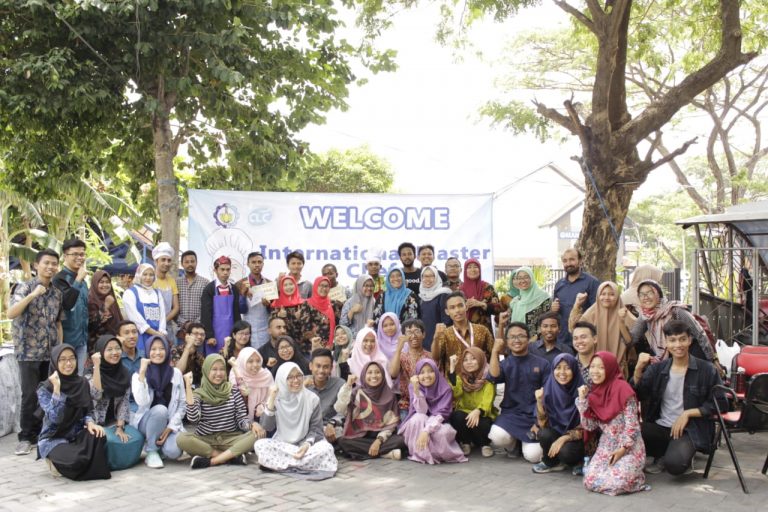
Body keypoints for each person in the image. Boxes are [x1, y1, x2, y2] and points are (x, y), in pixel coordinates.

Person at [633, 320, 724, 476]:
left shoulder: (707, 370)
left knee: (675, 466)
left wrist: (688, 413)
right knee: (627, 433)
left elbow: (721, 403)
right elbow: (638, 394)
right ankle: (665, 451)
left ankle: (678, 453)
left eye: (682, 339)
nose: (678, 345)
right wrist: (638, 369)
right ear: (666, 343)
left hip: (690, 430)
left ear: (690, 340)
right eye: (672, 340)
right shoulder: (657, 369)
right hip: (661, 427)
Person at [8, 248, 63, 456]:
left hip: (50, 353)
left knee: (47, 394)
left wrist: (60, 350)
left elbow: (58, 323)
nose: (50, 267)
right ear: (36, 265)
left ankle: (43, 433)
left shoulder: (57, 293)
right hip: (28, 352)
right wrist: (32, 295)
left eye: (54, 263)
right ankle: (25, 437)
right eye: (46, 263)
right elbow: (11, 313)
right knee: (29, 395)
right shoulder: (23, 287)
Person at [577, 351, 649, 495]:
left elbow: (633, 426)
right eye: (592, 366)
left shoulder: (623, 389)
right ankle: (621, 476)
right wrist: (582, 401)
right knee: (589, 481)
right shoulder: (593, 394)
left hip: (629, 446)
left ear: (610, 368)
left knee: (617, 482)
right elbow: (589, 426)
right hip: (607, 445)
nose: (595, 371)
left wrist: (623, 449)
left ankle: (637, 480)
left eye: (601, 367)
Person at [36, 344, 110, 480]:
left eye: (71, 358)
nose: (68, 363)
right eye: (62, 359)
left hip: (76, 436)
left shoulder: (82, 382)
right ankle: (56, 461)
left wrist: (90, 423)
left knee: (99, 435)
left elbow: (87, 410)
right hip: (54, 439)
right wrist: (57, 389)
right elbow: (55, 418)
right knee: (77, 459)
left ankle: (77, 465)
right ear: (55, 362)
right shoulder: (45, 388)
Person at [254, 362, 338, 480]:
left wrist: (307, 444)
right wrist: (271, 399)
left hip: (307, 444)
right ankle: (306, 464)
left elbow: (316, 428)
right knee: (260, 445)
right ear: (282, 380)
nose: (296, 380)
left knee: (326, 449)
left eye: (299, 375)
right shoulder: (276, 399)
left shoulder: (312, 399)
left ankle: (282, 464)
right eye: (290, 377)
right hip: (283, 445)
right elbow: (267, 427)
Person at [177, 354, 262, 469]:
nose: (219, 373)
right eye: (214, 369)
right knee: (181, 438)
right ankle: (230, 457)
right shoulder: (199, 393)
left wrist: (252, 425)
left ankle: (211, 461)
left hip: (231, 439)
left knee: (258, 434)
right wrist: (188, 386)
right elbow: (193, 419)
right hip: (206, 440)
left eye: (222, 369)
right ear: (206, 370)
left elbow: (241, 420)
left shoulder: (233, 390)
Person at [487, 322, 549, 463]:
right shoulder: (506, 363)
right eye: (512, 337)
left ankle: (524, 444)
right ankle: (513, 445)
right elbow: (494, 377)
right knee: (497, 436)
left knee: (533, 456)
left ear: (529, 339)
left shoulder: (542, 364)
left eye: (521, 336)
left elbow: (547, 395)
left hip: (534, 416)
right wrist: (495, 351)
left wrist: (539, 422)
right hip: (511, 415)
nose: (516, 340)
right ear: (507, 341)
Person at [88, 335, 144, 471]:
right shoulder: (90, 374)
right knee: (108, 440)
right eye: (109, 349)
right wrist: (97, 367)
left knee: (137, 437)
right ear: (101, 352)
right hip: (94, 424)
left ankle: (121, 461)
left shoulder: (123, 372)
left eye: (117, 348)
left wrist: (120, 427)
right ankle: (108, 463)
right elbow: (96, 394)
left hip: (113, 423)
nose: (114, 353)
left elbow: (124, 402)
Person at [130, 337, 186, 468]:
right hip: (146, 422)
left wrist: (171, 426)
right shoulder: (138, 375)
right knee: (160, 410)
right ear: (147, 351)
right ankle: (152, 451)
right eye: (153, 349)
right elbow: (141, 401)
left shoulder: (175, 373)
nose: (158, 352)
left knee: (173, 452)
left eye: (161, 348)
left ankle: (159, 445)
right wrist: (142, 372)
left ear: (167, 350)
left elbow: (182, 404)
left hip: (168, 422)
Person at [630, 279, 716, 364]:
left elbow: (699, 333)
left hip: (690, 356)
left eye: (649, 293)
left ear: (658, 293)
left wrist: (712, 360)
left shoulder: (675, 311)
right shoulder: (644, 316)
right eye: (641, 294)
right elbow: (632, 338)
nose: (645, 297)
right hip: (666, 360)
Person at [397, 359, 467, 464]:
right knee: (418, 418)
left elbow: (441, 414)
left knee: (443, 433)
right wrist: (417, 391)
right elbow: (421, 411)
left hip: (439, 422)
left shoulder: (445, 389)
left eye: (430, 371)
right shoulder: (414, 386)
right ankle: (421, 453)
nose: (426, 375)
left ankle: (434, 454)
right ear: (417, 375)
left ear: (436, 372)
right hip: (421, 421)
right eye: (422, 372)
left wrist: (426, 431)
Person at [335, 362, 406, 460]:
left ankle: (364, 452)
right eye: (370, 372)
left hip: (382, 436)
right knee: (342, 441)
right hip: (360, 435)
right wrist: (348, 386)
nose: (374, 376)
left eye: (377, 372)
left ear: (383, 374)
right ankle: (385, 454)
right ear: (364, 375)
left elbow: (391, 425)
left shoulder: (389, 395)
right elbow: (340, 408)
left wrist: (378, 441)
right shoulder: (357, 392)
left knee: (401, 440)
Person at [531, 354, 585, 475]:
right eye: (558, 368)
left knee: (566, 452)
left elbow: (588, 426)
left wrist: (564, 438)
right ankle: (552, 462)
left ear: (574, 369)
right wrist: (539, 401)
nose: (562, 372)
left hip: (578, 438)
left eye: (567, 368)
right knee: (544, 434)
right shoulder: (549, 389)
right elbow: (543, 425)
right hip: (556, 433)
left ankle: (578, 462)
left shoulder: (582, 391)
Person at [570, 282, 636, 374]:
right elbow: (574, 329)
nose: (607, 297)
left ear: (617, 296)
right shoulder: (592, 312)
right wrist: (577, 305)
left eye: (612, 294)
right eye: (603, 294)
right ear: (598, 295)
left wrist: (621, 321)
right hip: (594, 367)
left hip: (618, 366)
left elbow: (630, 342)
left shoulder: (624, 312)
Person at [448, 347, 497, 457]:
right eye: (465, 360)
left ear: (480, 359)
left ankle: (485, 444)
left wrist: (478, 411)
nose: (469, 362)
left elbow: (488, 401)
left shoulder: (488, 378)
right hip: (465, 413)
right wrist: (452, 369)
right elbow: (455, 393)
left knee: (483, 422)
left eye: (473, 358)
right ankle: (466, 442)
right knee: (457, 416)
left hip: (483, 414)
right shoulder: (462, 377)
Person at [431, 291, 494, 376]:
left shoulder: (482, 330)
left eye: (460, 305)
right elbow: (435, 357)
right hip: (455, 381)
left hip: (481, 380)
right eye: (452, 308)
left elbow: (494, 354)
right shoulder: (445, 334)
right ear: (447, 311)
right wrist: (436, 337)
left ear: (466, 306)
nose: (457, 310)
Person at [53, 239, 89, 375]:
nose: (79, 257)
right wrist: (78, 280)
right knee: (65, 378)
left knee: (78, 378)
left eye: (82, 254)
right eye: (75, 254)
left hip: (82, 340)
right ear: (65, 256)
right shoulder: (59, 279)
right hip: (66, 340)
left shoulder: (83, 281)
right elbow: (67, 304)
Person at [200, 256, 248, 356]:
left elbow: (237, 313)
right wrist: (209, 336)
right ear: (215, 270)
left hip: (231, 333)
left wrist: (238, 333)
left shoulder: (234, 289)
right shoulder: (209, 289)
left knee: (231, 358)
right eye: (222, 269)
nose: (225, 272)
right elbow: (205, 314)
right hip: (214, 335)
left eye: (228, 269)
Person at [552, 248, 600, 347]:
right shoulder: (559, 284)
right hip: (563, 338)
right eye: (565, 261)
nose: (568, 263)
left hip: (583, 339)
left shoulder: (592, 282)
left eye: (572, 259)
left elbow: (596, 311)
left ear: (580, 261)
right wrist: (553, 309)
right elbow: (555, 311)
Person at [389, 319, 432, 420]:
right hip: (406, 403)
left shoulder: (430, 356)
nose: (413, 336)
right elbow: (393, 374)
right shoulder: (401, 356)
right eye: (409, 332)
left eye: (417, 331)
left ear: (424, 334)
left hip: (428, 402)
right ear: (404, 336)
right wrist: (399, 348)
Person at [269, 275, 322, 356]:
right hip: (284, 348)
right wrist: (279, 316)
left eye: (291, 284)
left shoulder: (304, 304)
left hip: (304, 348)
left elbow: (312, 327)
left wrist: (301, 319)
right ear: (281, 288)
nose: (288, 287)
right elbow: (273, 328)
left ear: (295, 286)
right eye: (285, 285)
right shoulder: (277, 305)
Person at [122, 263, 167, 355]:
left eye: (151, 275)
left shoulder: (157, 293)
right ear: (139, 275)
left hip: (158, 337)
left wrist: (161, 332)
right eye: (145, 274)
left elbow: (162, 315)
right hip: (140, 336)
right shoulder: (130, 293)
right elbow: (135, 318)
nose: (148, 278)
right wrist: (155, 333)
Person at [304, 349, 346, 443]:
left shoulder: (339, 384)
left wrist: (332, 423)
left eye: (326, 367)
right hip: (306, 427)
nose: (321, 371)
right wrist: (302, 388)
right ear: (311, 366)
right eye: (318, 366)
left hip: (329, 427)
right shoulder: (302, 383)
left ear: (331, 368)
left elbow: (343, 410)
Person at [229, 347, 274, 422]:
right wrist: (235, 368)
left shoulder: (266, 375)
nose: (255, 365)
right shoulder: (235, 374)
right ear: (242, 361)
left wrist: (263, 405)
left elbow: (272, 397)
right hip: (240, 420)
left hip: (262, 419)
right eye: (250, 361)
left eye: (258, 361)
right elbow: (243, 392)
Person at [460, 258, 502, 334]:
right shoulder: (459, 290)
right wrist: (465, 305)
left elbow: (499, 309)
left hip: (484, 330)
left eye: (475, 267)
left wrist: (481, 304)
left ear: (479, 270)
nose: (473, 270)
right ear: (465, 271)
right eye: (469, 267)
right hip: (463, 331)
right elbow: (452, 310)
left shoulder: (488, 288)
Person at [508, 267, 552, 338]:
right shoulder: (515, 301)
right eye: (519, 278)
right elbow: (509, 323)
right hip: (518, 341)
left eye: (526, 277)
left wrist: (536, 337)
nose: (523, 281)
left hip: (538, 341)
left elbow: (549, 320)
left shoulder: (543, 298)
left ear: (532, 278)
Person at [240, 251, 271, 348]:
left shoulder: (269, 284)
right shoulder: (240, 284)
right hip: (247, 331)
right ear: (248, 264)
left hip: (265, 331)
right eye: (253, 262)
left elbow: (273, 311)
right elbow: (240, 310)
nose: (257, 265)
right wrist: (243, 294)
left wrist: (268, 305)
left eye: (259, 262)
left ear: (263, 264)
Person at [87, 270, 123, 354]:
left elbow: (119, 321)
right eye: (101, 282)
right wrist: (105, 306)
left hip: (115, 343)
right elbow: (92, 325)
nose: (105, 285)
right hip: (97, 346)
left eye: (107, 282)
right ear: (95, 283)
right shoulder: (90, 300)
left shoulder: (111, 298)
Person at [418, 266, 452, 350]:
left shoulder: (443, 294)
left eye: (431, 276)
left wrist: (440, 338)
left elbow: (447, 321)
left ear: (436, 277)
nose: (428, 279)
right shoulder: (421, 296)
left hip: (439, 338)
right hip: (424, 339)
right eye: (425, 276)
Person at [151, 242, 180, 341]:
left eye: (169, 260)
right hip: (150, 325)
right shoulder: (149, 280)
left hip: (167, 325)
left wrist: (163, 322)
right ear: (156, 261)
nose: (166, 263)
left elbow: (176, 307)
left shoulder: (171, 281)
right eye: (163, 260)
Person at [176, 250, 209, 334]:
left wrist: (194, 324)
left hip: (199, 331)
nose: (190, 264)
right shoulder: (176, 283)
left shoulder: (205, 283)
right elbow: (173, 307)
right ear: (182, 264)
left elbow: (207, 308)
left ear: (196, 262)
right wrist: (185, 323)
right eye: (186, 262)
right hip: (181, 331)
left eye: (192, 261)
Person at [171, 322, 207, 387]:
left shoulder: (199, 357)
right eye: (196, 334)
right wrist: (187, 348)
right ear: (187, 335)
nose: (199, 337)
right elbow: (178, 372)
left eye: (202, 335)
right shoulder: (175, 350)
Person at [305, 276, 335, 347]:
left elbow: (339, 325)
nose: (324, 288)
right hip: (313, 346)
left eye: (326, 286)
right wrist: (319, 346)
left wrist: (330, 345)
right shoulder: (307, 304)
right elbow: (305, 328)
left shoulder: (333, 304)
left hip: (331, 346)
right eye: (321, 286)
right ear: (315, 286)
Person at [572, 321, 598, 386]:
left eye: (583, 337)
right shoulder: (570, 365)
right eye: (575, 338)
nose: (579, 341)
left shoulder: (604, 365)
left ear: (594, 339)